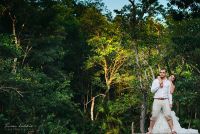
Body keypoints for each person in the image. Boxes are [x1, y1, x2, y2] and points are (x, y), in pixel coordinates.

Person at [147, 68, 176, 134]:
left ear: (165, 74)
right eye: (160, 72)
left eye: (163, 72)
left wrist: (170, 102)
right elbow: (152, 91)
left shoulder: (168, 82)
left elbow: (169, 93)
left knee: (168, 115)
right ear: (159, 73)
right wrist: (159, 85)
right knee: (154, 116)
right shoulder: (155, 81)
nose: (162, 73)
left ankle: (172, 130)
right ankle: (150, 130)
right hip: (157, 100)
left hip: (165, 100)